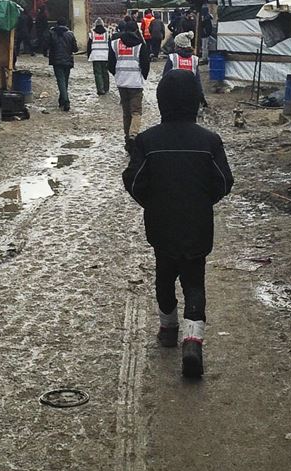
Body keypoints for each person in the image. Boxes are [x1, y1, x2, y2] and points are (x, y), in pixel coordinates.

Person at [121, 69, 234, 378]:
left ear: (162, 101)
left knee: (164, 276)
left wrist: (151, 202)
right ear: (195, 102)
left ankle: (168, 329)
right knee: (195, 282)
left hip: (161, 224)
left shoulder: (147, 140)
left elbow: (133, 179)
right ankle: (193, 341)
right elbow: (224, 181)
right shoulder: (209, 141)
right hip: (198, 225)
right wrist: (203, 200)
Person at [108, 20, 150, 149]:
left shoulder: (115, 44)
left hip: (121, 82)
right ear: (136, 31)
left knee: (126, 113)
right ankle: (133, 135)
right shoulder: (140, 45)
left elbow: (110, 63)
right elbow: (145, 64)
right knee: (136, 112)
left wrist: (118, 74)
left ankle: (127, 139)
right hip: (135, 83)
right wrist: (143, 76)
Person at [163, 32, 208, 108]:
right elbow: (197, 81)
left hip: (175, 94)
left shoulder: (172, 58)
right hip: (190, 95)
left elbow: (165, 78)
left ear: (177, 45)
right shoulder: (194, 59)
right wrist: (201, 97)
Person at [44, 17, 78, 112]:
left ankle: (66, 100)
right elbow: (75, 49)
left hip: (56, 60)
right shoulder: (70, 34)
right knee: (65, 81)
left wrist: (45, 52)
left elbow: (46, 45)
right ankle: (62, 99)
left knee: (61, 81)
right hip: (68, 60)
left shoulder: (52, 33)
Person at [87, 17, 110, 95]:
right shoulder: (107, 34)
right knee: (105, 72)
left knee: (98, 73)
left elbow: (89, 46)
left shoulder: (92, 34)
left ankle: (100, 89)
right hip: (105, 56)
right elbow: (110, 45)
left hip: (95, 56)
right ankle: (106, 88)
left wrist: (89, 55)